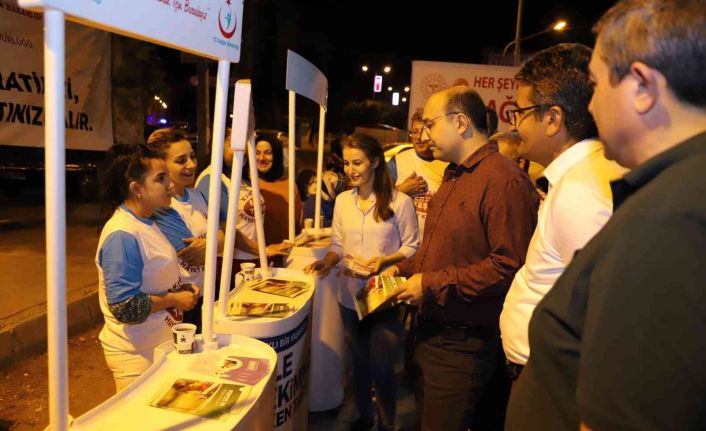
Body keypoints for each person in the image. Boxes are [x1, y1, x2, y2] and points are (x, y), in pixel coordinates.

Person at [505, 1, 706, 430]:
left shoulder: (666, 218)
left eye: (595, 86)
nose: (591, 107)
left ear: (643, 86)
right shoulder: (674, 192)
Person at [384, 86, 539, 431]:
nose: (424, 135)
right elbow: (441, 250)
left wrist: (430, 284)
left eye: (430, 124)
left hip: (463, 345)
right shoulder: (454, 174)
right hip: (429, 334)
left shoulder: (503, 182)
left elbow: (508, 267)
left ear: (460, 122)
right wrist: (401, 269)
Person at [499, 43, 627, 381]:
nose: (514, 125)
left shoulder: (581, 191)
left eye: (520, 112)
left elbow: (603, 308)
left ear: (553, 119)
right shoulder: (578, 177)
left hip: (552, 376)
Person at [304, 133, 420, 431]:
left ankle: (387, 424)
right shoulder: (344, 201)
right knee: (359, 364)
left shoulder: (400, 202)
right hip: (348, 296)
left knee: (383, 367)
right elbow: (337, 243)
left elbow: (412, 246)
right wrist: (329, 261)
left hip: (383, 297)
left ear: (375, 162)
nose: (350, 170)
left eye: (357, 163)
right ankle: (365, 417)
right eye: (346, 163)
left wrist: (385, 260)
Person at [96, 144, 200, 391]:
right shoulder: (122, 234)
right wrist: (174, 299)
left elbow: (151, 278)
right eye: (160, 179)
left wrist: (179, 289)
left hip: (158, 344)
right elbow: (125, 307)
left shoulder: (147, 220)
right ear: (136, 189)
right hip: (137, 354)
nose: (170, 185)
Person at [195, 129, 290, 275]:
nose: (243, 150)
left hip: (252, 260)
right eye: (234, 145)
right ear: (219, 145)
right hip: (228, 263)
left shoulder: (242, 178)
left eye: (245, 145)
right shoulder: (212, 178)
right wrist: (265, 250)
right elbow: (226, 230)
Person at [388, 112, 448, 240]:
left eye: (423, 131)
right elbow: (377, 200)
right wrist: (401, 190)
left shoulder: (447, 163)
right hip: (400, 243)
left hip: (434, 242)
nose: (419, 137)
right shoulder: (397, 161)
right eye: (415, 132)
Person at [244, 133, 303, 249]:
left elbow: (298, 226)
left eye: (268, 153)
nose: (261, 158)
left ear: (277, 155)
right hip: (254, 254)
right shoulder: (246, 185)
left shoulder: (290, 186)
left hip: (285, 254)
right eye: (257, 153)